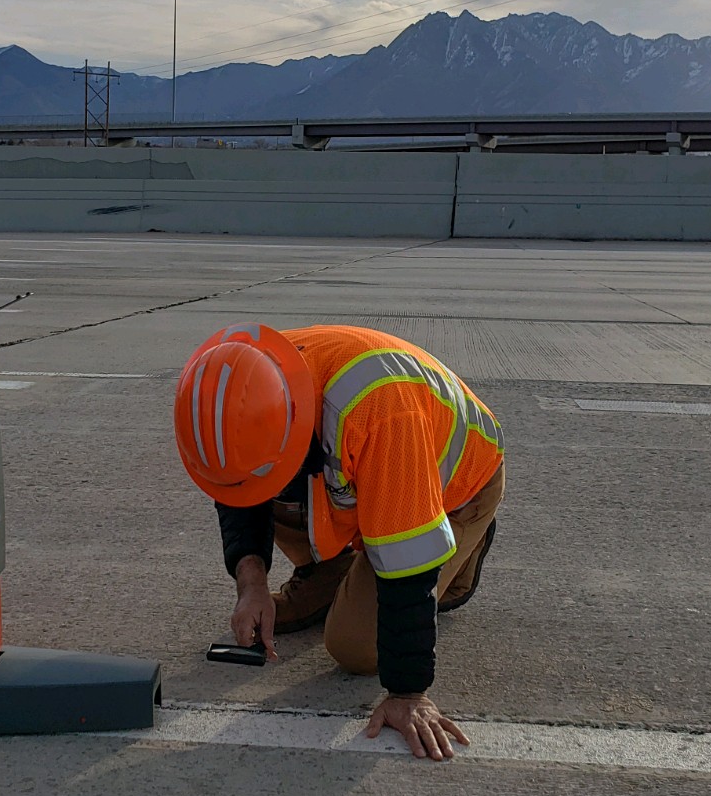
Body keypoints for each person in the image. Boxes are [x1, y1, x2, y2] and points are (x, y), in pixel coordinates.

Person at [175, 322, 505, 760]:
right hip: (362, 467)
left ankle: (459, 546)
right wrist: (251, 586)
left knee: (356, 648)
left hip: (456, 487)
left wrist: (408, 693)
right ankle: (333, 571)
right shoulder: (244, 377)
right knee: (270, 485)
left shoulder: (380, 411)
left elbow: (409, 569)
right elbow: (240, 490)